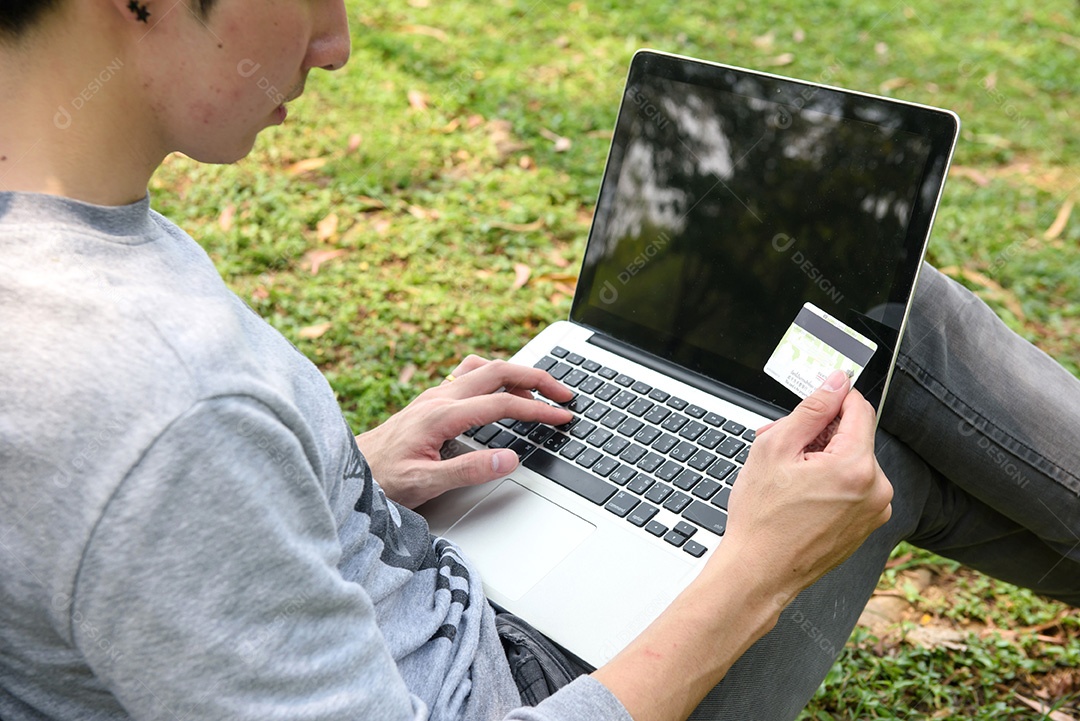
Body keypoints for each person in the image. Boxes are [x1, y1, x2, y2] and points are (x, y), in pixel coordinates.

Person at [0, 1, 1076, 720]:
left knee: (856, 385)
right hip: (516, 690)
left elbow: (138, 540)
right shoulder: (159, 396)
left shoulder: (62, 255)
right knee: (880, 366)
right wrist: (756, 570)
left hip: (424, 611)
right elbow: (157, 454)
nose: (335, 43)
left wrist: (334, 478)